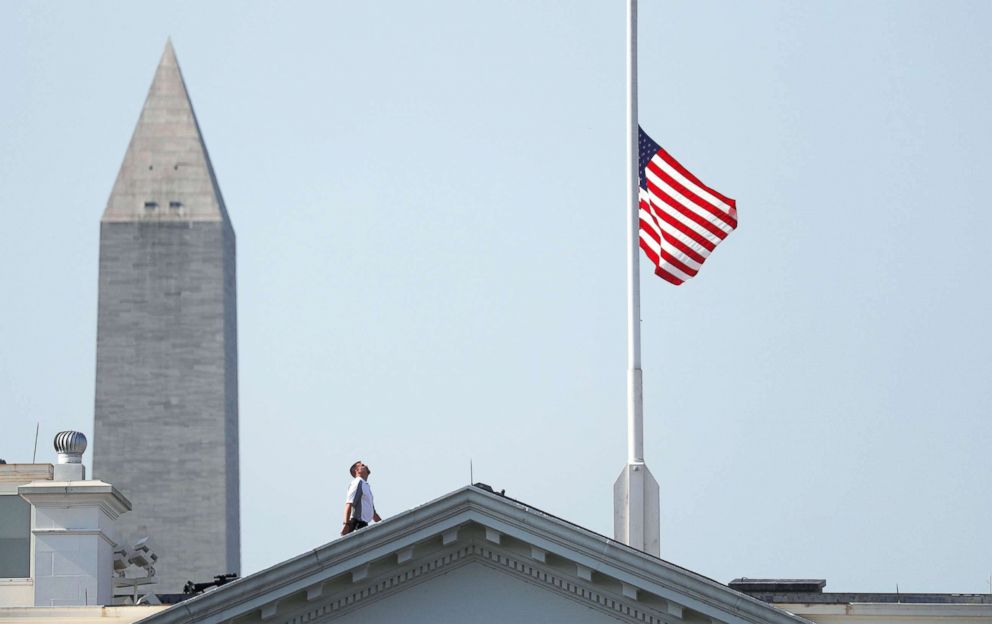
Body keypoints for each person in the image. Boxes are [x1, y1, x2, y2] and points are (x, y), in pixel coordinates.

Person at [341, 460, 381, 535]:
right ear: (357, 471)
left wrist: (383, 526)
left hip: (363, 525)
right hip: (357, 525)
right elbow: (349, 503)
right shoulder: (357, 482)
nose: (366, 465)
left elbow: (373, 514)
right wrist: (346, 524)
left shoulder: (365, 485)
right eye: (362, 465)